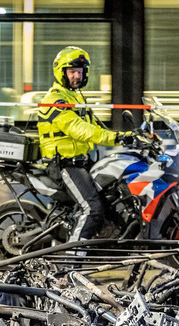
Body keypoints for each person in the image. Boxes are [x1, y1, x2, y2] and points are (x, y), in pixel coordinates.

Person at [38, 46, 134, 241]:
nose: (77, 77)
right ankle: (72, 260)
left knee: (111, 197)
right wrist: (115, 138)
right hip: (64, 164)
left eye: (80, 72)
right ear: (61, 72)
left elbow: (96, 126)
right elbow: (78, 129)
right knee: (93, 209)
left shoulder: (76, 98)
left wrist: (130, 136)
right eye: (72, 72)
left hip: (81, 161)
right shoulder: (55, 100)